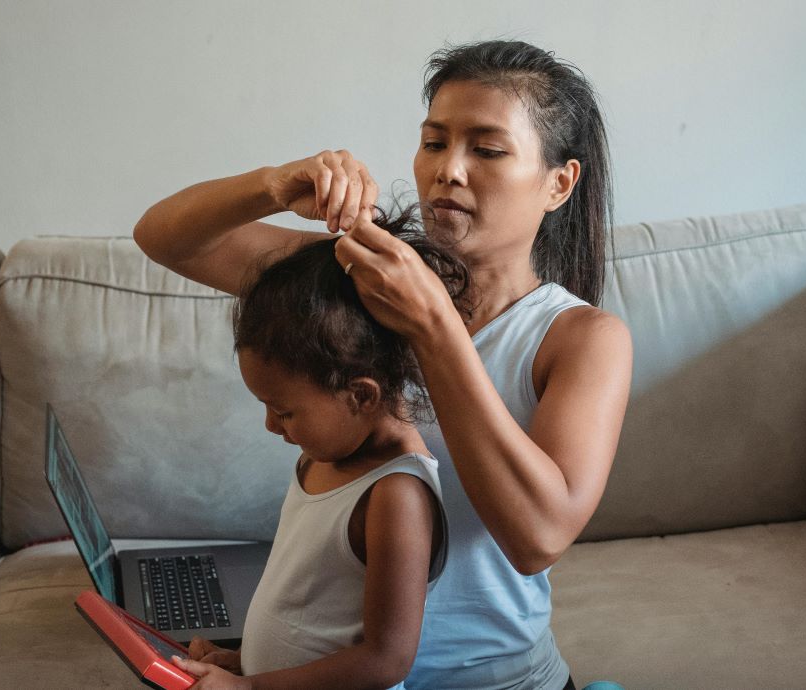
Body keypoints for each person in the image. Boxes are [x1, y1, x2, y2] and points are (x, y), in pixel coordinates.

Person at [135, 39, 632, 690]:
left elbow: (537, 536)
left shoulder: (580, 338)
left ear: (558, 183)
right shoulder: (358, 281)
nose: (449, 170)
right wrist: (275, 184)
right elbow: (163, 237)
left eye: (485, 149)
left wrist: (432, 324)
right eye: (434, 142)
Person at [168, 212, 468, 689]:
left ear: (361, 395)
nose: (271, 425)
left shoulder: (396, 496)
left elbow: (387, 659)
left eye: (284, 412)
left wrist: (251, 688)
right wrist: (243, 662)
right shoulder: (323, 454)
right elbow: (311, 609)